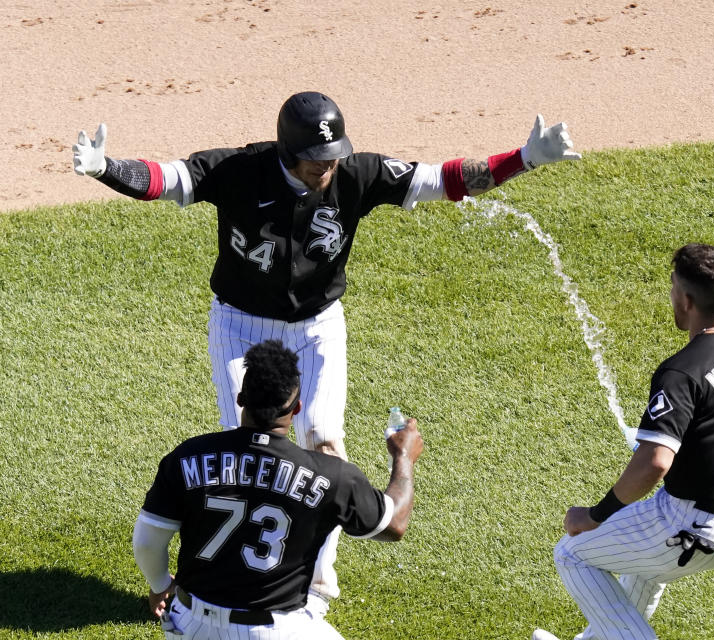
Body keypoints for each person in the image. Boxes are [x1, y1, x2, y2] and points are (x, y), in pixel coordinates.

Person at [73, 92, 579, 600]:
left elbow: (442, 180)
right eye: (318, 160)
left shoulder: (356, 173)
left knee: (325, 439)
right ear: (287, 153)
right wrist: (104, 169)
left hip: (317, 325)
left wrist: (526, 158)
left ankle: (314, 575)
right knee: (247, 443)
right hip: (240, 325)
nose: (328, 168)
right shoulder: (238, 169)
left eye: (334, 155)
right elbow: (165, 181)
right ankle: (243, 566)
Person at [533, 243, 714, 640]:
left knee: (572, 553)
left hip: (697, 525)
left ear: (685, 300)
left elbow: (655, 463)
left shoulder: (681, 371)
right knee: (645, 564)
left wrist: (597, 515)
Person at [132, 339, 424, 639]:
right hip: (272, 631)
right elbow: (394, 524)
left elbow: (146, 543)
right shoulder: (332, 475)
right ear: (296, 407)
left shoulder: (187, 457)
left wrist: (159, 586)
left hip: (190, 624)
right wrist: (403, 458)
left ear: (241, 398)